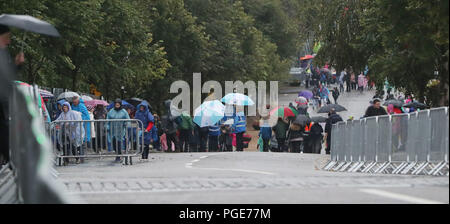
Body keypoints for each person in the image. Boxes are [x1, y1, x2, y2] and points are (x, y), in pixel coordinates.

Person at [0, 25, 25, 165]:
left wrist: (17, 65)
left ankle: (11, 160)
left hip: (3, 100)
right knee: (4, 130)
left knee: (4, 129)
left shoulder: (4, 53)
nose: (9, 41)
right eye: (7, 37)